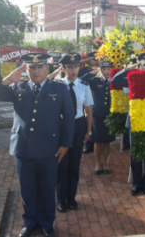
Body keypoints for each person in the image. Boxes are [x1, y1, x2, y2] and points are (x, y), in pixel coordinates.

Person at [0, 53, 74, 237]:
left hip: (49, 147)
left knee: (47, 188)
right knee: (27, 189)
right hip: (23, 148)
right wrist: (8, 79)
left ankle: (47, 223)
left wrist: (65, 144)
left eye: (40, 66)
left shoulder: (59, 88)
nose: (36, 70)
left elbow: (69, 118)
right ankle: (30, 222)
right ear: (27, 69)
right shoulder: (18, 86)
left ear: (47, 68)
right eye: (32, 67)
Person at [48, 54, 93, 213]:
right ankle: (61, 199)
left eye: (76, 67)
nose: (74, 70)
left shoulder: (84, 85)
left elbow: (88, 110)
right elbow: (43, 83)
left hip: (79, 125)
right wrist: (53, 74)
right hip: (61, 127)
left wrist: (88, 131)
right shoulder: (56, 85)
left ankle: (71, 198)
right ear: (64, 68)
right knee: (61, 164)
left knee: (74, 163)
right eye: (70, 67)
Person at [111, 53, 145, 197]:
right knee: (135, 154)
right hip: (135, 120)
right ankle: (137, 185)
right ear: (140, 66)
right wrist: (128, 68)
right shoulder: (133, 78)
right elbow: (115, 80)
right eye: (143, 65)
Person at [81, 60, 116, 175]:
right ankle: (97, 163)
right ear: (100, 70)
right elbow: (82, 79)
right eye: (104, 69)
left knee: (107, 142)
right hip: (97, 115)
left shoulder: (115, 81)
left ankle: (105, 163)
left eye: (108, 69)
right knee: (97, 141)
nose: (106, 71)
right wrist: (92, 72)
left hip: (110, 115)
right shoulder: (95, 81)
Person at [81, 53, 100, 154]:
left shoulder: (104, 68)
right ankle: (88, 145)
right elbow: (82, 79)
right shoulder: (87, 70)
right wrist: (92, 73)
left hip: (99, 99)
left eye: (96, 59)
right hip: (89, 97)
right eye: (93, 59)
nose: (95, 60)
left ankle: (96, 144)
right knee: (89, 122)